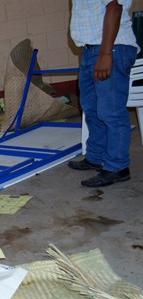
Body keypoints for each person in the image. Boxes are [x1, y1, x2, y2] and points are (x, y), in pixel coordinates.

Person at [68, 0, 138, 187]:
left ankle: (118, 166)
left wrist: (106, 54)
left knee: (111, 112)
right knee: (91, 110)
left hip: (110, 48)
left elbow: (114, 7)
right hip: (91, 50)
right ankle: (96, 157)